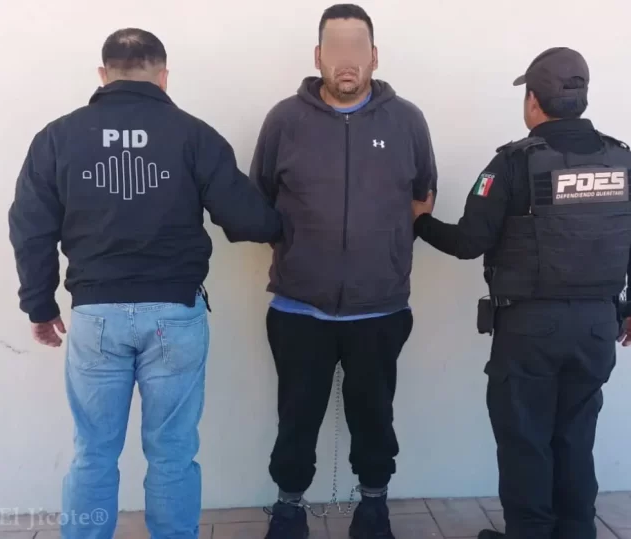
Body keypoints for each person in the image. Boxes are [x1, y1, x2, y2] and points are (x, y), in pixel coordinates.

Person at [8, 28, 281, 539]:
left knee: (93, 453)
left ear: (103, 74)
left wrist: (39, 305)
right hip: (174, 315)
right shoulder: (192, 135)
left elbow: (30, 226)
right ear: (163, 76)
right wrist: (285, 222)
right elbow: (248, 220)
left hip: (95, 315)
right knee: (172, 452)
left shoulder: (58, 137)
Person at [412, 47, 631, 539]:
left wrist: (420, 221)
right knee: (575, 439)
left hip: (530, 331)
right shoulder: (622, 160)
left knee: (526, 443)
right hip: (597, 327)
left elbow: (468, 243)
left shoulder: (511, 163)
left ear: (532, 100)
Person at [249, 4, 438, 538]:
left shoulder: (407, 121)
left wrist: (386, 252)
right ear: (317, 56)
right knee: (296, 418)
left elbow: (423, 194)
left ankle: (373, 508)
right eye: (335, 49)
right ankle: (289, 509)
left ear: (375, 56)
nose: (346, 60)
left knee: (374, 418)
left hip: (380, 308)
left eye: (357, 48)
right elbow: (260, 199)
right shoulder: (284, 121)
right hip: (298, 308)